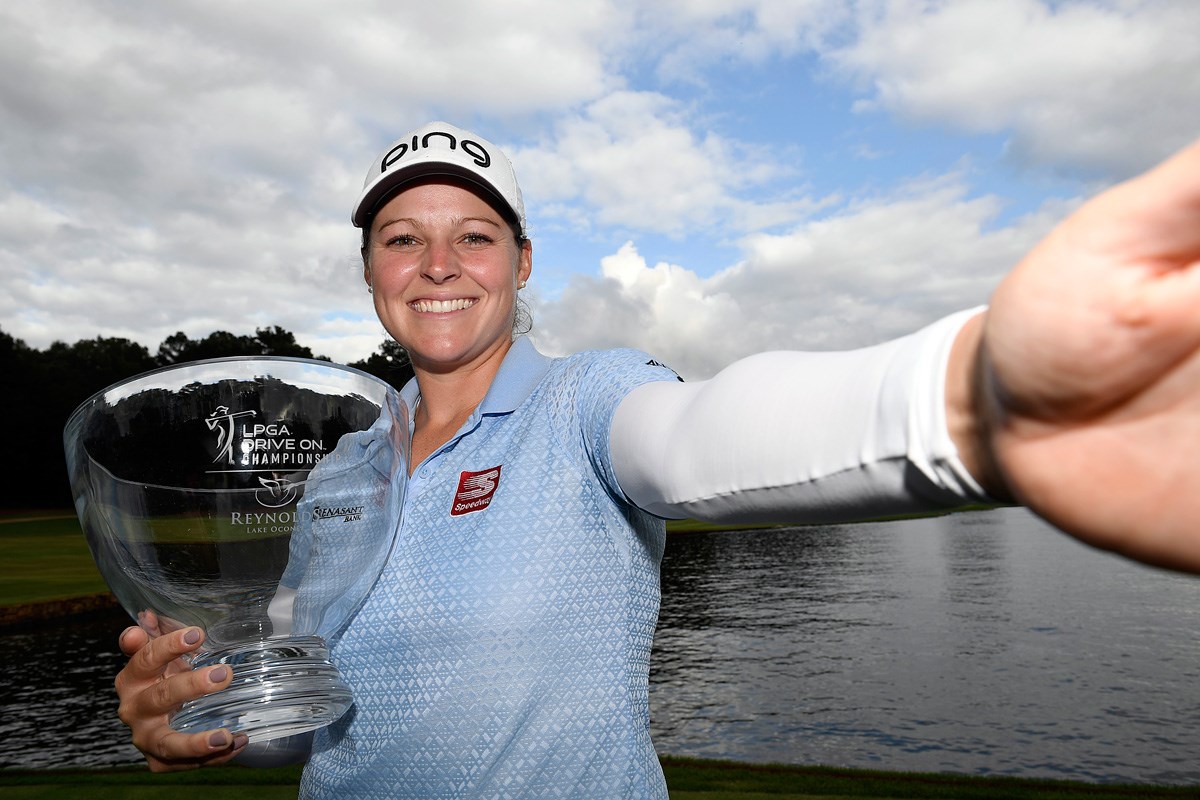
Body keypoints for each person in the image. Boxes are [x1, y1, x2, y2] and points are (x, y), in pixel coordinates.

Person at [113, 120, 1200, 798]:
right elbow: (305, 716)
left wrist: (975, 397)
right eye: (402, 236)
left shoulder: (591, 398)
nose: (438, 261)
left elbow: (701, 438)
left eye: (474, 234)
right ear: (370, 271)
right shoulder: (344, 470)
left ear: (522, 259)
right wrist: (196, 724)